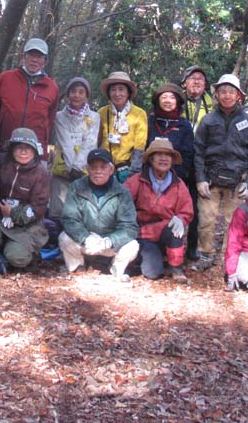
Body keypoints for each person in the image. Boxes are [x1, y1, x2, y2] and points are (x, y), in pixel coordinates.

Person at [192, 74, 248, 272]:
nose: (227, 95)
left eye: (231, 91)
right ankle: (205, 255)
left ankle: (227, 257)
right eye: (223, 91)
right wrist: (200, 179)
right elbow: (199, 151)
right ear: (217, 94)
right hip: (210, 180)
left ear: (239, 95)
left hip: (237, 181)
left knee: (235, 222)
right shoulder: (208, 120)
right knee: (206, 220)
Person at [59, 149, 140, 281]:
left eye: (103, 167)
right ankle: (77, 266)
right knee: (64, 238)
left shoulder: (122, 192)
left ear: (111, 169)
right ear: (87, 169)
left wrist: (110, 241)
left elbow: (130, 227)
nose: (98, 171)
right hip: (86, 241)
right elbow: (69, 219)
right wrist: (86, 237)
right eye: (93, 167)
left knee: (133, 245)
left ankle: (116, 269)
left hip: (109, 243)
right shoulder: (76, 187)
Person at [0, 128, 51, 269]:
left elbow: (38, 208)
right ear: (12, 149)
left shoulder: (41, 173)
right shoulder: (3, 161)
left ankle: (20, 249)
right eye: (19, 147)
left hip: (28, 223)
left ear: (35, 150)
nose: (23, 152)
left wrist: (13, 213)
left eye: (28, 148)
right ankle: (3, 244)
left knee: (17, 257)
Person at [124, 138, 193, 283]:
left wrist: (180, 219)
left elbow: (187, 210)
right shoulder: (137, 180)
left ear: (172, 160)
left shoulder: (178, 184)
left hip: (165, 231)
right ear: (151, 158)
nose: (163, 158)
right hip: (143, 233)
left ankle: (176, 268)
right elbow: (122, 203)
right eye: (159, 154)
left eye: (167, 155)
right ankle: (148, 259)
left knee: (175, 228)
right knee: (153, 273)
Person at [147, 82, 197, 260]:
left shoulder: (183, 124)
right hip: (150, 175)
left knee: (173, 210)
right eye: (164, 97)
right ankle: (151, 245)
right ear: (157, 101)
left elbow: (188, 152)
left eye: (172, 97)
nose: (168, 101)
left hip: (175, 176)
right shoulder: (150, 121)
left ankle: (177, 248)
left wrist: (177, 175)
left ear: (178, 101)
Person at [0, 37, 59, 159]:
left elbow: (50, 118)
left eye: (39, 56)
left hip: (36, 150)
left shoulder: (52, 87)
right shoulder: (5, 78)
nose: (34, 60)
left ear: (45, 61)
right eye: (31, 55)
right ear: (23, 56)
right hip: (8, 145)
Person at [50, 77, 100, 219]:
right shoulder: (59, 116)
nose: (76, 95)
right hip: (63, 168)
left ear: (87, 95)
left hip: (84, 169)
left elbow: (89, 143)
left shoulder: (94, 117)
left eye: (81, 92)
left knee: (81, 211)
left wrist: (77, 168)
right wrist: (71, 168)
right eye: (73, 91)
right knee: (58, 211)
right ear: (68, 94)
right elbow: (65, 142)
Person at [97, 71, 148, 183]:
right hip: (104, 167)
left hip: (127, 169)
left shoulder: (139, 114)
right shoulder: (102, 113)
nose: (117, 94)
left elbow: (139, 146)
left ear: (128, 92)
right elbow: (96, 141)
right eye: (113, 90)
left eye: (121, 89)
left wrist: (133, 173)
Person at [181, 65, 214, 131]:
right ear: (184, 83)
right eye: (192, 78)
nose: (196, 82)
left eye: (200, 79)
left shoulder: (213, 105)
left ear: (205, 84)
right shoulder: (177, 101)